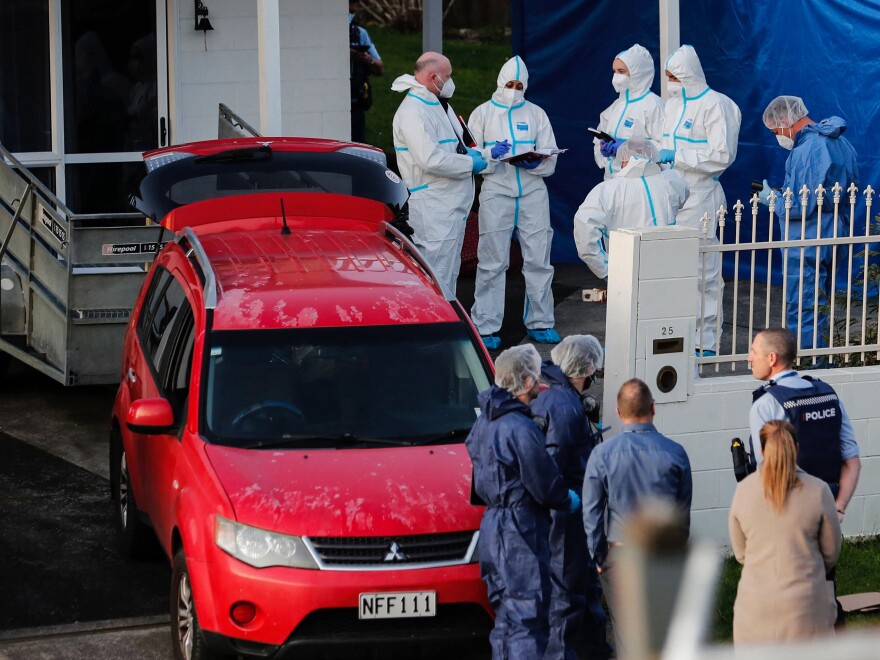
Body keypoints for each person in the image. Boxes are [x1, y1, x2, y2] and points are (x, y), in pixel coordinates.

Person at [466, 344, 581, 659]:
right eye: (534, 377)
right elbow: (542, 480)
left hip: (492, 525)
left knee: (506, 617)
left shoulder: (484, 422)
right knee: (528, 617)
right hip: (520, 529)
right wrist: (565, 498)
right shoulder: (519, 427)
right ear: (527, 381)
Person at [582, 378, 692, 655]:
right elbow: (682, 512)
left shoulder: (602, 455)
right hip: (663, 554)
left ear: (619, 413)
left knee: (626, 631)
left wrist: (596, 556)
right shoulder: (676, 454)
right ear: (653, 408)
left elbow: (592, 512)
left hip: (620, 555)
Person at [467, 56, 561, 348]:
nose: (514, 89)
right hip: (497, 191)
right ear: (500, 82)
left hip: (533, 192)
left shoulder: (536, 114)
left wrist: (537, 164)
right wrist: (490, 154)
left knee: (538, 259)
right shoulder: (482, 114)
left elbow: (551, 155)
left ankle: (541, 321)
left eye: (520, 85)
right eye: (510, 84)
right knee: (493, 260)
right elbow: (470, 156)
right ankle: (485, 324)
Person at [531, 335, 612, 659]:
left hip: (567, 510)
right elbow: (553, 462)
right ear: (585, 367)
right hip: (567, 514)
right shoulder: (564, 406)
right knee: (569, 591)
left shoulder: (557, 396)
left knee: (582, 587)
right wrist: (566, 499)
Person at [758, 96, 859, 351]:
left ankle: (807, 365)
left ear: (784, 120)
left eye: (775, 131)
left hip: (807, 236)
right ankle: (822, 359)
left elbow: (798, 205)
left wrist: (772, 199)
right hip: (835, 231)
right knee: (821, 302)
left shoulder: (806, 150)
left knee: (802, 307)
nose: (777, 136)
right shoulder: (840, 142)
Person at [660, 45, 741, 356]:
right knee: (671, 268)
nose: (670, 83)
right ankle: (675, 332)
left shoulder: (718, 106)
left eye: (673, 76)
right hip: (669, 195)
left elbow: (721, 156)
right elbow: (664, 144)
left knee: (703, 272)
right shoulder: (672, 106)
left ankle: (705, 342)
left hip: (700, 196)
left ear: (687, 75)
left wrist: (677, 155)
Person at [729, 420, 841, 643]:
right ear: (796, 449)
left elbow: (741, 554)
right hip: (808, 613)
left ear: (761, 451)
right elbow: (831, 553)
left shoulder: (744, 491)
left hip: (754, 615)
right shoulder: (819, 491)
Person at [392, 52, 487, 295]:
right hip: (433, 207)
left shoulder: (436, 104)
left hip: (448, 205)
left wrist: (474, 154)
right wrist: (469, 164)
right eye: (448, 76)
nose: (450, 81)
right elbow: (430, 159)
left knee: (448, 274)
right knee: (435, 277)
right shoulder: (413, 111)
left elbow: (453, 146)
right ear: (434, 77)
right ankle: (433, 328)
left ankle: (447, 326)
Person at [747, 327, 861, 520]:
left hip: (787, 514)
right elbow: (852, 461)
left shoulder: (766, 404)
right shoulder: (828, 394)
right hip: (828, 508)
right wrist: (839, 508)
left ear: (772, 358)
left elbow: (766, 469)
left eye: (754, 352)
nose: (749, 358)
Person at [574, 138, 689, 280]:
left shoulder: (607, 190)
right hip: (666, 266)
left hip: (625, 270)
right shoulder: (672, 181)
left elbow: (584, 232)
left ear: (622, 160)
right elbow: (682, 198)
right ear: (653, 156)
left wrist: (606, 269)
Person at [593, 44, 666, 180]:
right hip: (612, 181)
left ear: (638, 73)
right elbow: (598, 140)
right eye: (614, 71)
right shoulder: (616, 106)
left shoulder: (653, 105)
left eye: (621, 71)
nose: (616, 76)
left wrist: (629, 147)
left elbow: (665, 148)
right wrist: (604, 148)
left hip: (642, 182)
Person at [348, 2, 383, 143]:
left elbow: (379, 67)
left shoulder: (359, 33)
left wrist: (367, 60)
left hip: (355, 99)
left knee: (358, 144)